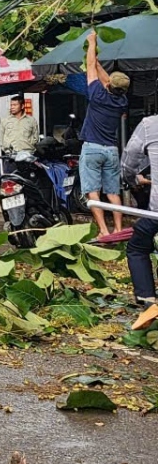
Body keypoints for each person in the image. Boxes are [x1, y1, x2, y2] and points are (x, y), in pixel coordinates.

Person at [80, 32, 130, 238]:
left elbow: (90, 68)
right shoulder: (122, 101)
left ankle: (103, 230)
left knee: (93, 191)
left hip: (92, 148)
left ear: (108, 86)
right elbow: (103, 77)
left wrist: (92, 43)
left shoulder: (97, 95)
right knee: (113, 192)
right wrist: (98, 61)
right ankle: (118, 229)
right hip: (111, 150)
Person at [121, 115, 158, 330]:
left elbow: (128, 162)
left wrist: (132, 179)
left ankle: (147, 298)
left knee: (136, 247)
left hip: (156, 211)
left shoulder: (149, 125)